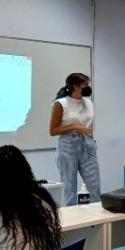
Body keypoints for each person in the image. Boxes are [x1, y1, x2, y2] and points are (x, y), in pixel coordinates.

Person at [49, 72, 101, 206]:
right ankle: (71, 220)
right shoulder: (61, 104)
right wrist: (75, 127)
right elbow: (53, 130)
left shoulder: (88, 103)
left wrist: (90, 139)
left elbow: (87, 123)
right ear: (76, 87)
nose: (88, 87)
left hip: (87, 144)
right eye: (85, 85)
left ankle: (95, 220)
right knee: (69, 188)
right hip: (68, 145)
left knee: (94, 186)